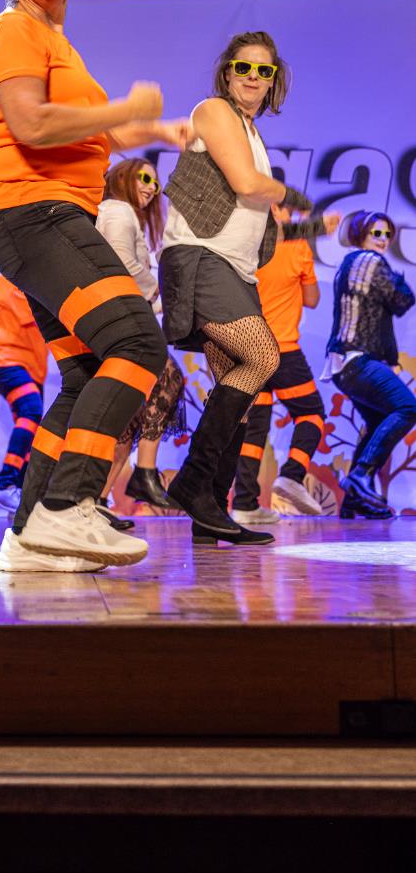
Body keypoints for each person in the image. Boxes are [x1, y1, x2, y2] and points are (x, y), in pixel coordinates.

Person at [0, 0, 191, 573]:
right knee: (136, 344)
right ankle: (68, 506)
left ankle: (27, 537)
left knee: (86, 371)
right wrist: (126, 108)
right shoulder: (11, 29)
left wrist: (160, 130)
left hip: (43, 214)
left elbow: (96, 133)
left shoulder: (56, 43)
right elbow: (31, 124)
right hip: (32, 213)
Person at [160, 31, 311, 547]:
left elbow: (256, 206)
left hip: (236, 269)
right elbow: (247, 185)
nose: (252, 77)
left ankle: (210, 510)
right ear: (227, 72)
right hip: (202, 257)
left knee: (241, 393)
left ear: (273, 82)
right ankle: (192, 480)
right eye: (244, 67)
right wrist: (289, 192)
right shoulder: (215, 111)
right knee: (263, 357)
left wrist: (312, 222)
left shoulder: (250, 130)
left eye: (264, 71)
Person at [233, 205, 340, 525]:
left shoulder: (244, 243)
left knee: (254, 427)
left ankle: (244, 504)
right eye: (285, 207)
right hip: (281, 349)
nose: (291, 215)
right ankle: (292, 475)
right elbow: (312, 299)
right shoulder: (295, 245)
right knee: (311, 414)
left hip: (246, 347)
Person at [96, 158, 185, 511]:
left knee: (130, 419)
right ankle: (144, 473)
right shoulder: (118, 210)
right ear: (123, 177)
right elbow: (121, 261)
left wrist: (161, 302)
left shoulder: (121, 214)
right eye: (145, 178)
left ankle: (98, 500)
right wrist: (156, 290)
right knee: (168, 379)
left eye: (155, 183)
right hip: (120, 322)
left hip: (124, 317)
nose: (151, 187)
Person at [325, 211, 416, 520]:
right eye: (377, 233)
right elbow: (403, 300)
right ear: (361, 234)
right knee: (407, 408)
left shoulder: (351, 264)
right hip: (356, 359)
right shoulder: (368, 260)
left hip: (346, 363)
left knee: (378, 422)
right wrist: (399, 281)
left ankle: (353, 500)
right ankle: (360, 476)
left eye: (387, 234)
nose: (383, 240)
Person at [0, 274, 49, 515]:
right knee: (31, 409)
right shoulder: (20, 277)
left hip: (29, 362)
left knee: (31, 422)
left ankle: (22, 497)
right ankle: (6, 483)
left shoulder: (35, 277)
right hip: (3, 355)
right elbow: (45, 316)